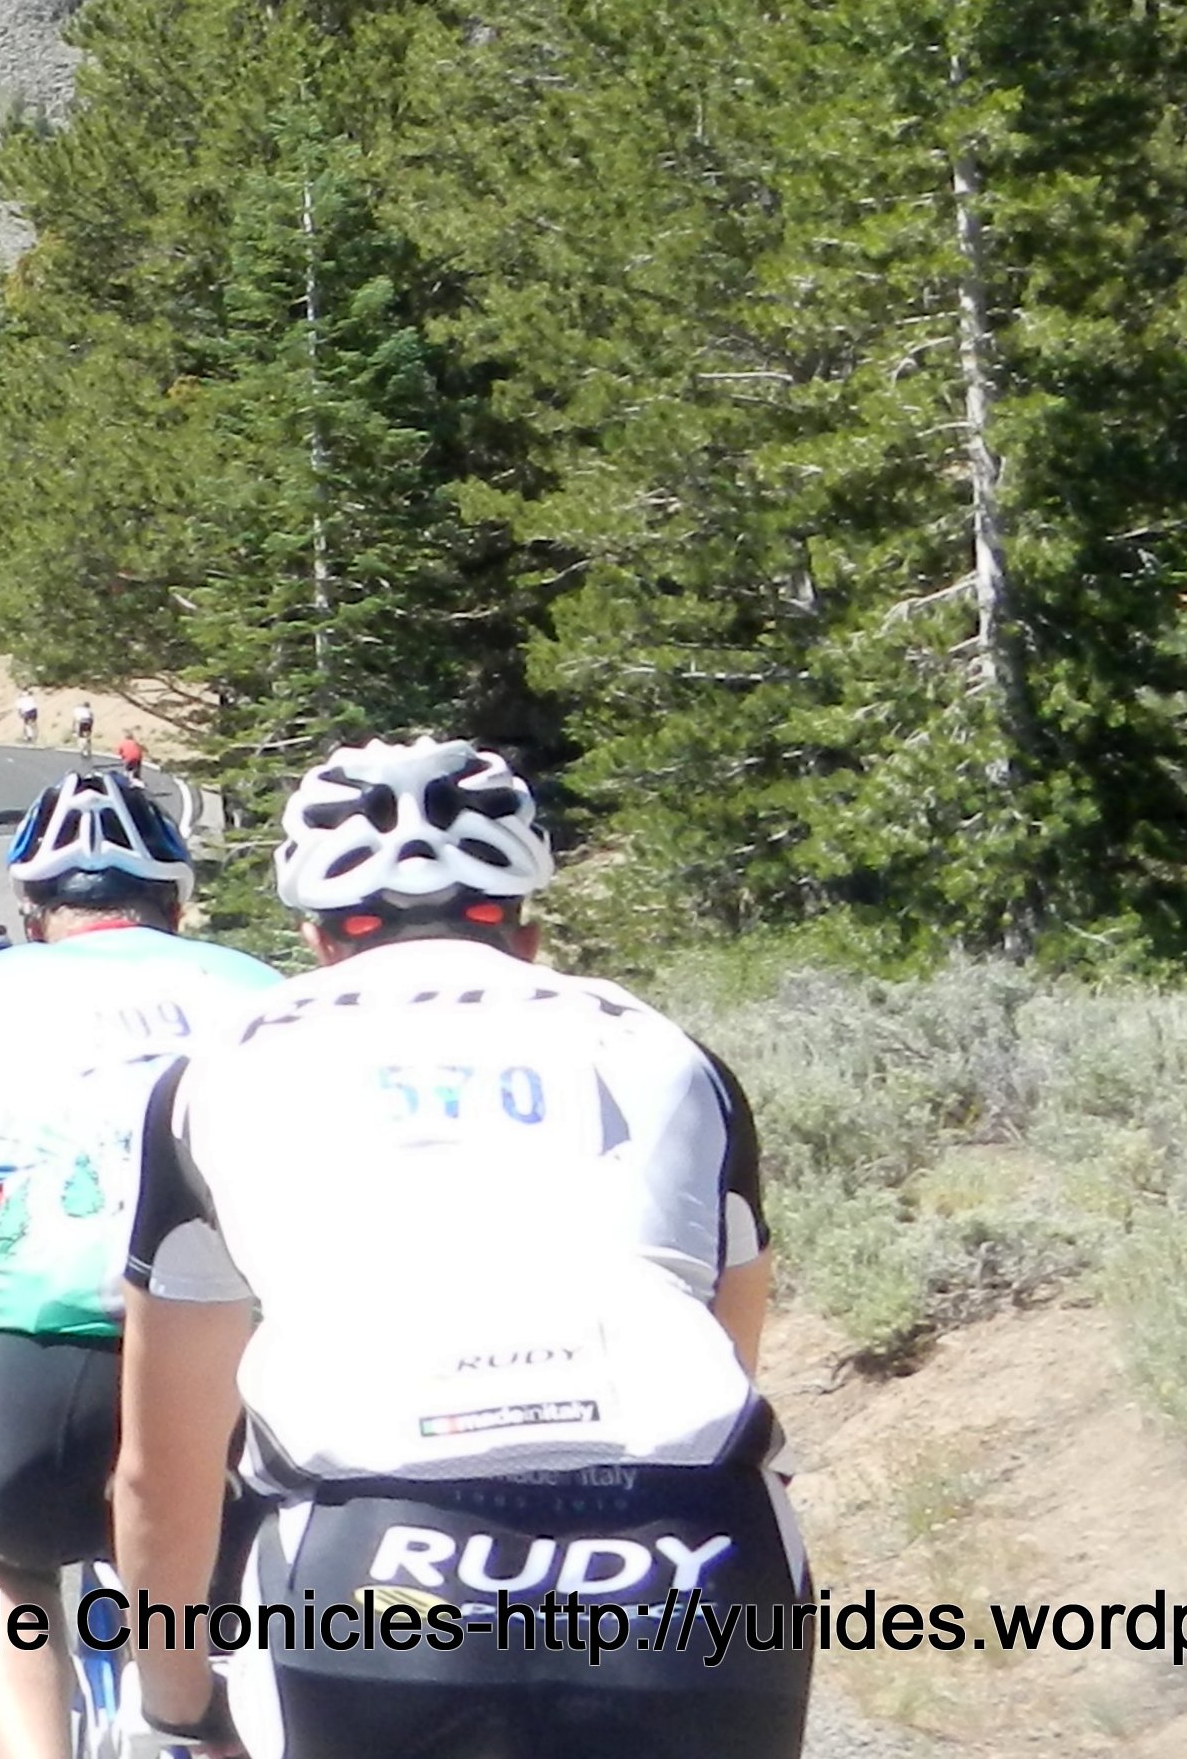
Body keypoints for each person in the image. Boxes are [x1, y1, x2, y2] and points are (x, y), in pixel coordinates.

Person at [113, 739, 811, 1759]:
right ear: (528, 929)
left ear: (316, 938)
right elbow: (732, 1348)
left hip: (375, 1553)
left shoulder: (219, 1067)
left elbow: (161, 1470)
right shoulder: (666, 1049)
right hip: (691, 1541)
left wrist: (176, 1702)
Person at [0, 767, 274, 1759]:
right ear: (176, 904)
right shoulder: (264, 989)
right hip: (238, 1355)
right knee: (234, 1625)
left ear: (33, 913)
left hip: (55, 1350)